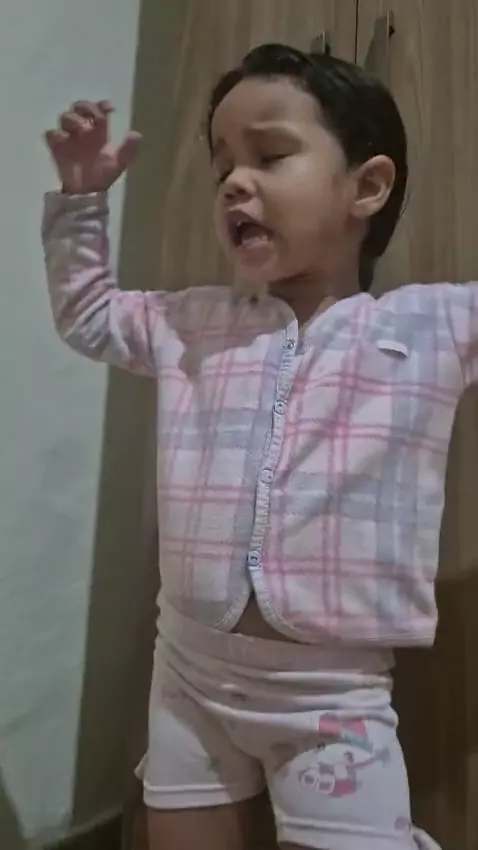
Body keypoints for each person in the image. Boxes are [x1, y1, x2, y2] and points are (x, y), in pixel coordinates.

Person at [42, 42, 477, 849]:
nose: (235, 183)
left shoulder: (429, 327)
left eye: (270, 156)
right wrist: (79, 203)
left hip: (332, 697)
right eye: (223, 168)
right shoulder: (193, 322)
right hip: (188, 675)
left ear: (367, 187)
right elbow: (90, 316)